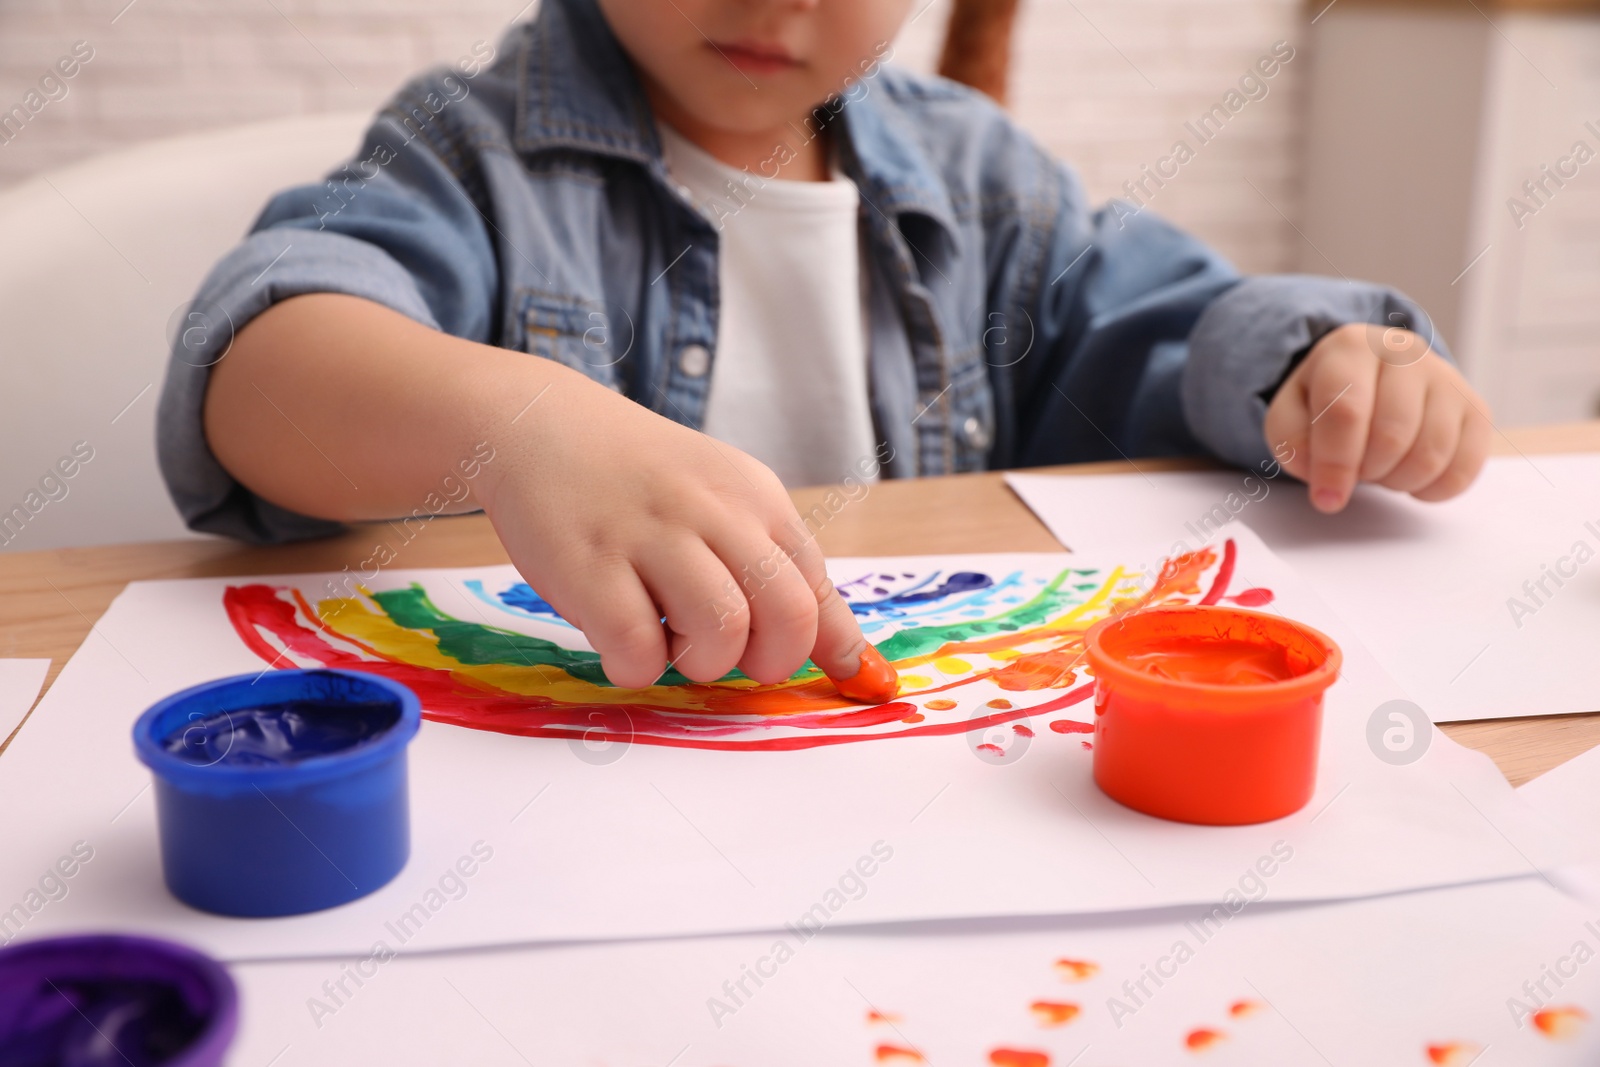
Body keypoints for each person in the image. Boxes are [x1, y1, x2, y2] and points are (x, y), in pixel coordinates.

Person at [156, 0, 1491, 695]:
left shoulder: (982, 175)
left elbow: (1169, 334)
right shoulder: (470, 151)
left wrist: (1323, 362)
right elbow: (255, 371)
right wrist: (520, 429)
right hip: (575, 796)